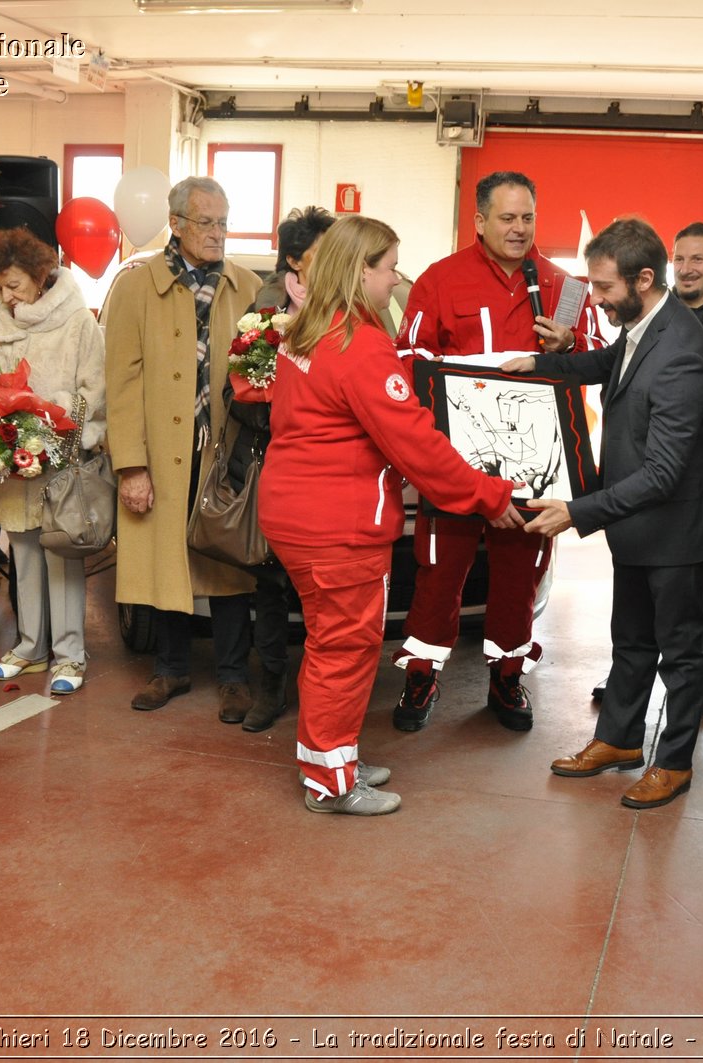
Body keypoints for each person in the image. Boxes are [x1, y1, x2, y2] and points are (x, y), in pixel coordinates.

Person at [257, 215, 522, 815]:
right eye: (388, 268)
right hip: (337, 524)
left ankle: (334, 759)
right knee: (344, 649)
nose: (395, 278)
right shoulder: (360, 346)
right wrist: (491, 496)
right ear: (359, 272)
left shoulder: (310, 331)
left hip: (299, 513)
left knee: (331, 643)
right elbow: (417, 447)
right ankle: (330, 783)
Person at [505, 217, 703, 810]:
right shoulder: (643, 324)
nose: (595, 298)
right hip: (637, 523)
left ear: (644, 279)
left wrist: (577, 512)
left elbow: (663, 473)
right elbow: (613, 365)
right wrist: (547, 364)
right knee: (631, 640)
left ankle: (674, 762)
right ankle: (619, 740)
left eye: (604, 288)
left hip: (677, 530)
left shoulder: (683, 352)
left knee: (683, 654)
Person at [391, 170, 599, 733]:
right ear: (479, 220)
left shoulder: (565, 287)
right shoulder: (439, 280)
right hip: (457, 464)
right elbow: (408, 357)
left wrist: (571, 344)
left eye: (527, 217)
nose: (519, 229)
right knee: (438, 574)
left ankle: (507, 678)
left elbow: (606, 355)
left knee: (518, 575)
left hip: (535, 465)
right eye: (506, 218)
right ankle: (421, 675)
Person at [590, 221, 703, 714]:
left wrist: (680, 441)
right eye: (682, 258)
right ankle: (628, 701)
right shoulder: (641, 319)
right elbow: (610, 367)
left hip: (695, 479)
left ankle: (692, 692)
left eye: (699, 259)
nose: (689, 268)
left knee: (691, 602)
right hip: (645, 479)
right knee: (636, 609)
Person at [103, 176, 263, 713]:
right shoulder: (135, 286)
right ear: (176, 224)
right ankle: (169, 671)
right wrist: (130, 466)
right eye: (207, 222)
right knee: (166, 557)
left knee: (229, 558)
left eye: (223, 222)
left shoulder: (247, 286)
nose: (218, 233)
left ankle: (234, 677)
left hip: (228, 451)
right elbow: (120, 381)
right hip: (161, 451)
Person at [0, 228, 105, 696]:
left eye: (13, 284)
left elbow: (94, 399)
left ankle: (71, 654)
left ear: (40, 274)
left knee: (62, 554)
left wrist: (47, 418)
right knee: (24, 555)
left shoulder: (78, 324)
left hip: (61, 465)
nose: (5, 296)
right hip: (9, 466)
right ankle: (31, 647)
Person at [214, 205, 336, 732]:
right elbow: (231, 395)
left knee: (325, 595)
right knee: (270, 587)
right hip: (272, 468)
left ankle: (323, 693)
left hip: (331, 475)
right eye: (323, 255)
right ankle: (271, 687)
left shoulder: (352, 310)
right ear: (293, 261)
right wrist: (275, 404)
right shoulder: (261, 315)